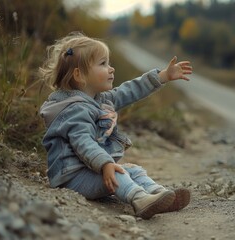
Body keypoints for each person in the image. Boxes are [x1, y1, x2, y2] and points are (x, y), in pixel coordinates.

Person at [39, 32, 193, 219]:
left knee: (133, 170)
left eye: (109, 63)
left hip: (88, 170)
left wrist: (162, 76)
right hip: (72, 178)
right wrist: (105, 164)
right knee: (118, 172)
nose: (111, 69)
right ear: (79, 75)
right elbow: (84, 142)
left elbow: (129, 90)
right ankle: (140, 200)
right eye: (103, 64)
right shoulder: (74, 111)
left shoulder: (99, 99)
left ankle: (159, 194)